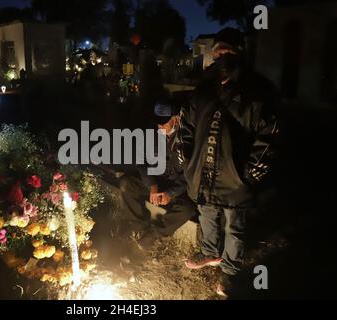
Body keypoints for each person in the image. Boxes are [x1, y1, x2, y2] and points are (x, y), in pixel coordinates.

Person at [180, 27, 279, 297]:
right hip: (205, 170)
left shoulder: (257, 90)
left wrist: (251, 174)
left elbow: (268, 134)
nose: (221, 55)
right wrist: (187, 161)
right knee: (208, 214)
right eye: (218, 51)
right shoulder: (203, 88)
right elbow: (186, 126)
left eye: (228, 50)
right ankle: (210, 252)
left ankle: (230, 273)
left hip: (236, 175)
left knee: (234, 226)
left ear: (238, 53)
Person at [119, 98, 199, 248]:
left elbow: (191, 174)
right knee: (126, 183)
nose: (160, 126)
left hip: (178, 189)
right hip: (156, 182)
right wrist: (152, 185)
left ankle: (155, 234)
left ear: (176, 119)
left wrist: (170, 193)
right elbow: (141, 162)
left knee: (187, 208)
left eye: (164, 122)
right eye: (158, 123)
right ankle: (138, 227)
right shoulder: (152, 135)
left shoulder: (188, 138)